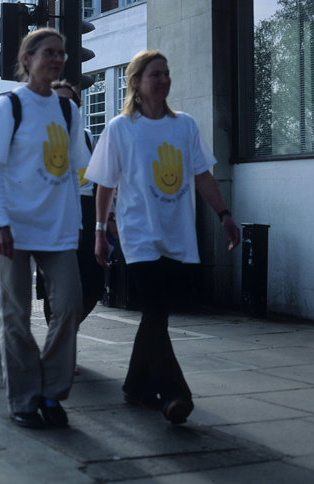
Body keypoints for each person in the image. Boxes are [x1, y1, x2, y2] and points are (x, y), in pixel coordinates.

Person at [86, 50, 241, 426]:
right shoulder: (120, 128)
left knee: (157, 314)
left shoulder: (184, 126)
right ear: (136, 83)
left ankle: (135, 386)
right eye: (155, 74)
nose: (163, 80)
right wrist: (100, 231)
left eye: (167, 74)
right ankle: (175, 393)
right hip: (137, 234)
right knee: (155, 310)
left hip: (177, 233)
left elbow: (203, 175)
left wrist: (224, 215)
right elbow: (104, 184)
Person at [0, 28, 83, 429]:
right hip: (11, 227)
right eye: (49, 53)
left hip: (56, 227)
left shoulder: (68, 110)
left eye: (62, 53)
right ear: (27, 60)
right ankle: (23, 398)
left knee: (70, 303)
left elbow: (77, 172)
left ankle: (52, 392)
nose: (57, 59)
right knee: (16, 315)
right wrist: (0, 221)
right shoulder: (10, 106)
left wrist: (79, 222)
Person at [38, 80, 103, 328]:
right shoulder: (40, 137)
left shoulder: (86, 138)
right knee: (54, 284)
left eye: (71, 102)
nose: (65, 107)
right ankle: (62, 340)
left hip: (86, 213)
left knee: (94, 283)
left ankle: (67, 331)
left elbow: (98, 180)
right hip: (53, 213)